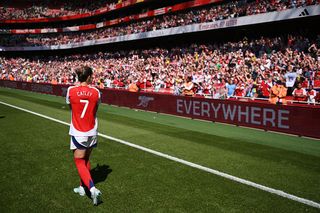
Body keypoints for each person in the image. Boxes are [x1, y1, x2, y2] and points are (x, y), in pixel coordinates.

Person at [66, 66, 102, 205]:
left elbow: (72, 108)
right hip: (92, 130)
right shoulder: (96, 92)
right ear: (88, 77)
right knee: (86, 159)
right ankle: (82, 187)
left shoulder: (71, 90)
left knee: (79, 161)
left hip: (78, 130)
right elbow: (95, 110)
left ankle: (93, 190)